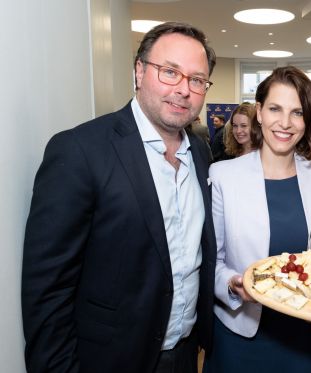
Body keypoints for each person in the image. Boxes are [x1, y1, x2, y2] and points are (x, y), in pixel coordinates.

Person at [21, 22, 217, 373]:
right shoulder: (81, 151)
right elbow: (48, 289)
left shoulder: (200, 153)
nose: (183, 90)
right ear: (139, 71)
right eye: (169, 72)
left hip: (186, 356)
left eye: (197, 80)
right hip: (112, 360)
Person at [203, 66, 311, 373]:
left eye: (297, 113)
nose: (285, 123)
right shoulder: (224, 176)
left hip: (304, 333)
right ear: (259, 112)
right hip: (242, 333)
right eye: (275, 109)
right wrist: (235, 285)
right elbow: (213, 260)